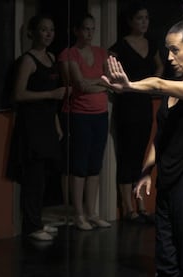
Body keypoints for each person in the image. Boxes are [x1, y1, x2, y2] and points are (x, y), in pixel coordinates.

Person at [102, 19, 183, 276]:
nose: (169, 57)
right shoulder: (174, 90)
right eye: (167, 50)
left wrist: (129, 87)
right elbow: (161, 136)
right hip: (168, 180)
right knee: (166, 260)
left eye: (175, 50)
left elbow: (159, 84)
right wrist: (146, 171)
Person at [6, 15, 69, 241]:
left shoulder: (52, 57)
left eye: (51, 29)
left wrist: (56, 123)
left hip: (47, 123)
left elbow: (52, 104)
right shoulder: (28, 60)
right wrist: (51, 94)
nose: (49, 34)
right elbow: (18, 94)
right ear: (32, 33)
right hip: (31, 125)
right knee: (32, 177)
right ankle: (31, 226)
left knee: (43, 176)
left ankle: (38, 221)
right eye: (43, 30)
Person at [109, 1, 163, 223]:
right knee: (126, 155)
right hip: (127, 104)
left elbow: (160, 66)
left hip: (144, 103)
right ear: (130, 21)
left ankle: (140, 204)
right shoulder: (119, 46)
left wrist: (151, 83)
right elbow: (111, 73)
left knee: (142, 152)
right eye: (140, 18)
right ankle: (128, 207)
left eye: (146, 18)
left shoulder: (151, 42)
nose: (144, 22)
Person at [59, 13, 111, 231]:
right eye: (86, 29)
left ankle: (92, 213)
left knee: (94, 165)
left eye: (92, 29)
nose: (89, 33)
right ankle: (78, 214)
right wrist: (100, 82)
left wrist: (99, 83)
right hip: (78, 114)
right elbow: (79, 85)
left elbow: (111, 82)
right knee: (79, 166)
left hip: (100, 114)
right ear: (77, 31)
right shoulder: (68, 54)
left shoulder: (101, 53)